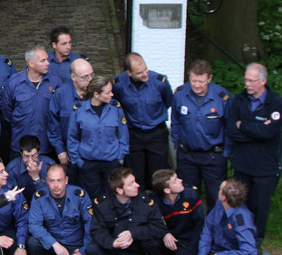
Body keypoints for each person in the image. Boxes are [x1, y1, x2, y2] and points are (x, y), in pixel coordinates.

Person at [85, 167, 168, 255]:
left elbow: (159, 227)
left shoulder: (145, 202)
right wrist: (112, 243)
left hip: (133, 251)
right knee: (92, 249)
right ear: (119, 190)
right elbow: (97, 230)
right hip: (113, 248)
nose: (137, 185)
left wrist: (133, 233)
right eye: (131, 184)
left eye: (135, 181)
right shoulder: (102, 203)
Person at [225, 62, 282, 247]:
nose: (247, 84)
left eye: (251, 81)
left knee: (259, 207)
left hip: (265, 168)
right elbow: (231, 130)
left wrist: (243, 125)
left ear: (263, 81)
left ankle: (254, 244)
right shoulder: (239, 100)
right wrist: (257, 131)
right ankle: (238, 239)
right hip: (242, 165)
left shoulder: (275, 102)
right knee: (239, 204)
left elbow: (268, 133)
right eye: (246, 80)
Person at [170, 59, 231, 210]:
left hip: (213, 157)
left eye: (201, 81)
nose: (197, 85)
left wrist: (226, 154)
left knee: (215, 198)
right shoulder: (180, 94)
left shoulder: (222, 97)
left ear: (209, 79)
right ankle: (191, 225)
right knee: (187, 198)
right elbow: (175, 121)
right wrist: (177, 142)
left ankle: (214, 225)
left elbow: (229, 127)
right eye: (193, 81)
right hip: (187, 156)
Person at [27, 163, 92, 255]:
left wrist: (84, 250)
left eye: (59, 180)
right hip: (52, 242)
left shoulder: (80, 196)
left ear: (66, 180)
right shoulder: (39, 197)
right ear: (46, 181)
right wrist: (54, 244)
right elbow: (34, 225)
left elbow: (90, 224)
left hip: (74, 244)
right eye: (52, 181)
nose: (56, 185)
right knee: (33, 242)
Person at [113, 53, 173, 191]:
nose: (145, 74)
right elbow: (117, 105)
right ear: (129, 73)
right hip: (133, 134)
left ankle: (158, 202)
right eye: (139, 73)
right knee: (135, 174)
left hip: (156, 133)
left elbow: (168, 102)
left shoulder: (160, 82)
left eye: (145, 69)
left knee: (159, 174)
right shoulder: (119, 84)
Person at [66, 76, 129, 201]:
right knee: (92, 199)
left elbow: (123, 135)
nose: (112, 94)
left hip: (111, 163)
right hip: (88, 165)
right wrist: (79, 162)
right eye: (108, 92)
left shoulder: (115, 108)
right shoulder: (79, 110)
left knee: (112, 199)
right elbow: (72, 138)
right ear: (96, 94)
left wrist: (120, 158)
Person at [151, 169, 204, 255]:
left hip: (186, 241)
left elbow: (199, 227)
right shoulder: (155, 201)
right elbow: (153, 222)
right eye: (175, 181)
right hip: (168, 239)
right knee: (147, 242)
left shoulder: (191, 194)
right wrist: (164, 233)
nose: (181, 181)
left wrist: (189, 254)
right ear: (167, 190)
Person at [1, 45, 60, 157]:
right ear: (31, 63)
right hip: (21, 145)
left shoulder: (55, 81)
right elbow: (7, 112)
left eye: (47, 59)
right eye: (43, 61)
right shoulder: (14, 83)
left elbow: (60, 111)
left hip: (47, 145)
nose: (48, 63)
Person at [48, 57, 94, 181]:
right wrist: (60, 150)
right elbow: (53, 125)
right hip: (69, 153)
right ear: (73, 77)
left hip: (93, 152)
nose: (90, 79)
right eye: (85, 77)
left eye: (92, 75)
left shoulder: (97, 93)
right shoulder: (60, 94)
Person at [6, 135, 54, 204]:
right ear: (21, 154)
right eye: (26, 156)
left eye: (34, 156)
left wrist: (36, 178)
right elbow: (13, 198)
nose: (30, 160)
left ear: (39, 153)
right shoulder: (12, 169)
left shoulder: (49, 166)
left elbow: (49, 195)